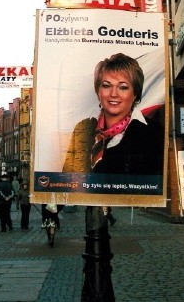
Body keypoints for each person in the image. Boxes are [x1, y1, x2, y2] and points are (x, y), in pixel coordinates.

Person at [62, 53, 164, 219]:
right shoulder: (84, 129)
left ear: (136, 94)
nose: (113, 94)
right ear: (98, 91)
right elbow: (68, 173)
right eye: (107, 85)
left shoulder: (152, 133)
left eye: (123, 87)